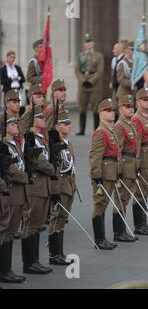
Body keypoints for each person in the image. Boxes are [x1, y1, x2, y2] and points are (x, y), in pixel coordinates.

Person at [21, 106, 57, 275]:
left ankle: (35, 260)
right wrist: (53, 169)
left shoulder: (41, 138)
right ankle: (28, 263)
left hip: (43, 185)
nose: (44, 119)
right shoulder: (30, 139)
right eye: (41, 117)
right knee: (31, 224)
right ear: (34, 120)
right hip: (35, 185)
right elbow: (40, 162)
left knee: (38, 224)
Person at [0, 115, 28, 283]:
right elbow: (11, 170)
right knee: (6, 232)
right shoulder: (4, 146)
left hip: (18, 193)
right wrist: (27, 177)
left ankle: (7, 269)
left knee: (10, 233)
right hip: (10, 192)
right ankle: (4, 271)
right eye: (12, 123)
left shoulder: (14, 144)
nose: (16, 125)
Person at [90, 98, 120, 250]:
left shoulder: (110, 130)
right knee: (100, 205)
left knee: (104, 204)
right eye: (108, 111)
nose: (112, 113)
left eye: (113, 110)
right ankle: (99, 239)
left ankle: (102, 238)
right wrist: (97, 176)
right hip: (103, 173)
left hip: (111, 172)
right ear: (101, 114)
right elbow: (95, 156)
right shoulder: (101, 132)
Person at [47, 110, 76, 266]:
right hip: (60, 183)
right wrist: (55, 190)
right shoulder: (54, 145)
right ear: (57, 126)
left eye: (69, 123)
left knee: (63, 219)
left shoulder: (68, 143)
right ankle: (53, 254)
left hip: (69, 183)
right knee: (56, 218)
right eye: (65, 124)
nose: (69, 126)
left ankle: (60, 252)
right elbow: (54, 169)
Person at [112, 94, 141, 241]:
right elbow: (118, 150)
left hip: (132, 166)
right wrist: (119, 171)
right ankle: (118, 232)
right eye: (127, 107)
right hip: (125, 166)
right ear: (120, 109)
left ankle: (122, 231)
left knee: (126, 198)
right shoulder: (119, 126)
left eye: (132, 107)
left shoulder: (130, 125)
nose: (131, 109)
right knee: (121, 199)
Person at [131, 88, 148, 235]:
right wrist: (138, 164)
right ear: (137, 102)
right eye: (144, 100)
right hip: (143, 160)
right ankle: (139, 224)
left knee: (146, 190)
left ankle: (144, 222)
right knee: (140, 192)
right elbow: (137, 144)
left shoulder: (147, 117)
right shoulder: (136, 119)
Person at [74, 33, 105, 135]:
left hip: (94, 85)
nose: (88, 44)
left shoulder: (99, 56)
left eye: (89, 42)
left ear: (93, 43)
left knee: (96, 107)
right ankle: (82, 129)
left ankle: (96, 129)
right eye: (86, 42)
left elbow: (100, 71)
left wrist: (91, 81)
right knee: (82, 106)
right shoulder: (80, 56)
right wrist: (83, 81)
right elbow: (77, 70)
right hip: (83, 84)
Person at [110, 41, 125, 109]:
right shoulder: (115, 60)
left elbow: (121, 75)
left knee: (120, 107)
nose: (113, 51)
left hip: (120, 86)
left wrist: (114, 82)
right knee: (115, 106)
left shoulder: (123, 60)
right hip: (115, 86)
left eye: (114, 49)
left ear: (119, 50)